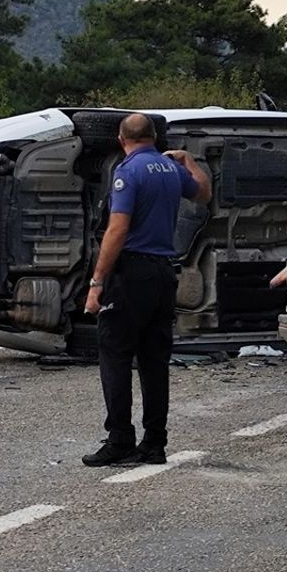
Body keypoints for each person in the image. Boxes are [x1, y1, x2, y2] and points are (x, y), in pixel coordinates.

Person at [82, 114, 211, 467]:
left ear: (121, 139)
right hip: (163, 275)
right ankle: (155, 443)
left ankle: (120, 439)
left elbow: (117, 230)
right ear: (153, 137)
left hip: (131, 275)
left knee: (116, 356)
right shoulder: (171, 170)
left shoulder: (128, 172)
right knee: (155, 363)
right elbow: (203, 193)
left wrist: (96, 283)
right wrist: (190, 161)